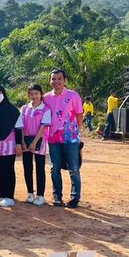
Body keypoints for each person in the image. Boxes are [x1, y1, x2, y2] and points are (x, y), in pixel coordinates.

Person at [44, 69, 83, 208]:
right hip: (53, 139)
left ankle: (75, 197)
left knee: (74, 168)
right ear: (50, 81)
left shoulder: (73, 96)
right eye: (53, 79)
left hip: (70, 139)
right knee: (54, 168)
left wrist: (77, 132)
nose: (56, 81)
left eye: (59, 78)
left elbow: (79, 114)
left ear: (65, 80)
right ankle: (57, 197)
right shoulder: (46, 98)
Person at [0, 85, 23, 208]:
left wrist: (18, 144)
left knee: (8, 170)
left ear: (4, 94)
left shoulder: (12, 110)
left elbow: (18, 128)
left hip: (9, 145)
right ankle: (1, 194)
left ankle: (9, 197)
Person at [20, 84, 51, 207]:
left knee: (40, 168)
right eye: (31, 94)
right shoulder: (24, 108)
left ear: (41, 94)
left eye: (36, 93)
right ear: (28, 95)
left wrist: (34, 143)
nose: (34, 96)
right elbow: (21, 126)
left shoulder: (46, 109)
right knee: (27, 167)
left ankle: (40, 195)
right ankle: (30, 193)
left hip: (40, 141)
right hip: (26, 140)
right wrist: (23, 141)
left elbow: (43, 128)